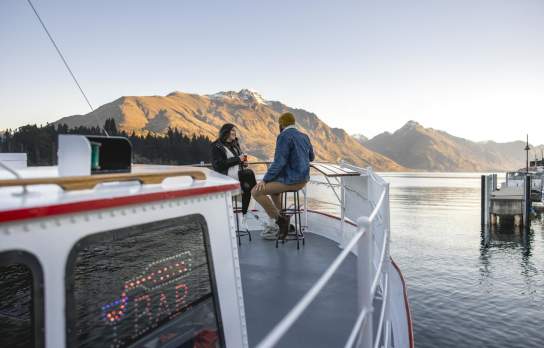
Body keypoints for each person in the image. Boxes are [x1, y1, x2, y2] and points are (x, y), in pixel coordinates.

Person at [252, 112, 315, 240]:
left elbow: (279, 162)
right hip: (303, 180)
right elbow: (311, 157)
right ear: (293, 123)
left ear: (281, 124)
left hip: (291, 181)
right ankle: (286, 223)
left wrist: (265, 179)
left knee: (256, 191)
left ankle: (281, 221)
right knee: (274, 193)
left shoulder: (283, 136)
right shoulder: (304, 136)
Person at [211, 123, 257, 230]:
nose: (234, 133)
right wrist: (238, 160)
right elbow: (218, 165)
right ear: (225, 132)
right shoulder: (216, 146)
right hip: (226, 179)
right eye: (231, 130)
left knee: (248, 179)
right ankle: (228, 224)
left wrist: (244, 163)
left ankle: (244, 216)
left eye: (234, 131)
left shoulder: (235, 144)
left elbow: (240, 158)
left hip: (239, 176)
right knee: (249, 177)